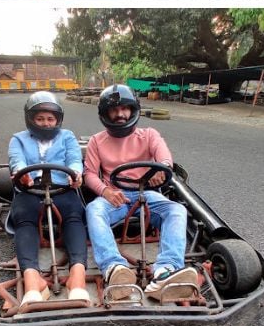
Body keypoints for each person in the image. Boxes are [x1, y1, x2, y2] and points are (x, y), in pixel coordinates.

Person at [83, 84, 197, 302]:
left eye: (125, 109)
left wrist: (159, 170)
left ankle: (166, 270)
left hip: (147, 193)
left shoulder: (149, 135)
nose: (120, 114)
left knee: (177, 210)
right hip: (115, 197)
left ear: (133, 109)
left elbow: (165, 159)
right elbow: (89, 174)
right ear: (105, 114)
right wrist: (105, 191)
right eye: (114, 110)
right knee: (93, 209)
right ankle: (114, 268)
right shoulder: (96, 141)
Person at [8, 91, 90, 307]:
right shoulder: (18, 139)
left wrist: (75, 174)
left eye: (50, 119)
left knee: (75, 215)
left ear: (58, 120)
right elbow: (16, 161)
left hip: (62, 188)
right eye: (40, 119)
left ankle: (77, 277)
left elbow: (74, 159)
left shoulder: (67, 136)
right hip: (30, 190)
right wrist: (22, 175)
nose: (46, 123)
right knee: (24, 219)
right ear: (31, 119)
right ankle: (32, 281)